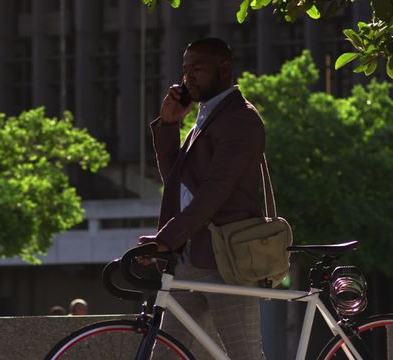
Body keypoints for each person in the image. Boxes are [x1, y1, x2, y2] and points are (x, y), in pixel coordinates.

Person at [139, 38, 266, 359]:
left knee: (245, 354)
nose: (187, 78)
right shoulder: (207, 116)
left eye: (198, 68)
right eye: (185, 70)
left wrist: (166, 239)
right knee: (166, 353)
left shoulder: (240, 118)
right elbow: (177, 181)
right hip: (192, 257)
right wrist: (169, 124)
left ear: (223, 69)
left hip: (225, 260)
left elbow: (215, 190)